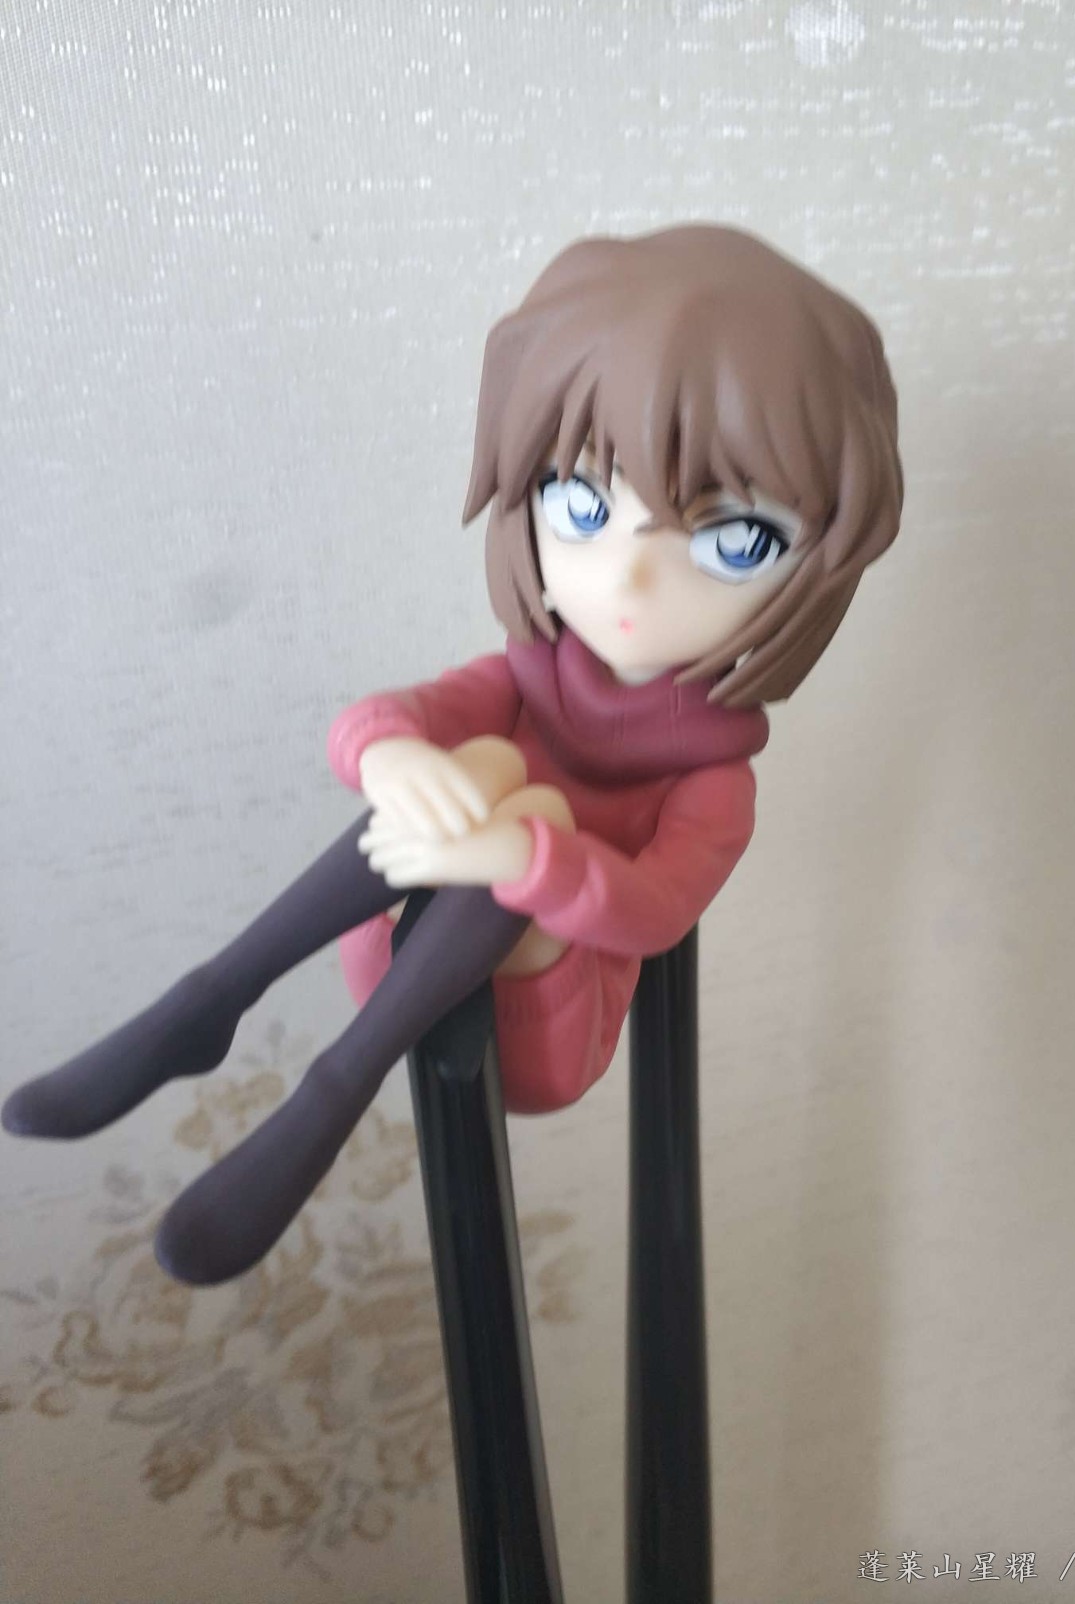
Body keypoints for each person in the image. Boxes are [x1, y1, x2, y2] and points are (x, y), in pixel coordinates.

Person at [2, 223, 903, 1285]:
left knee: (524, 805)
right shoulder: (529, 675)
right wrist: (396, 764)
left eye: (731, 540)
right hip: (399, 948)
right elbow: (379, 719)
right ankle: (211, 998)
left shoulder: (712, 777)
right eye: (582, 504)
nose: (628, 578)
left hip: (542, 1022)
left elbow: (656, 908)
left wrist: (525, 859)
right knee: (479, 767)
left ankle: (324, 1090)